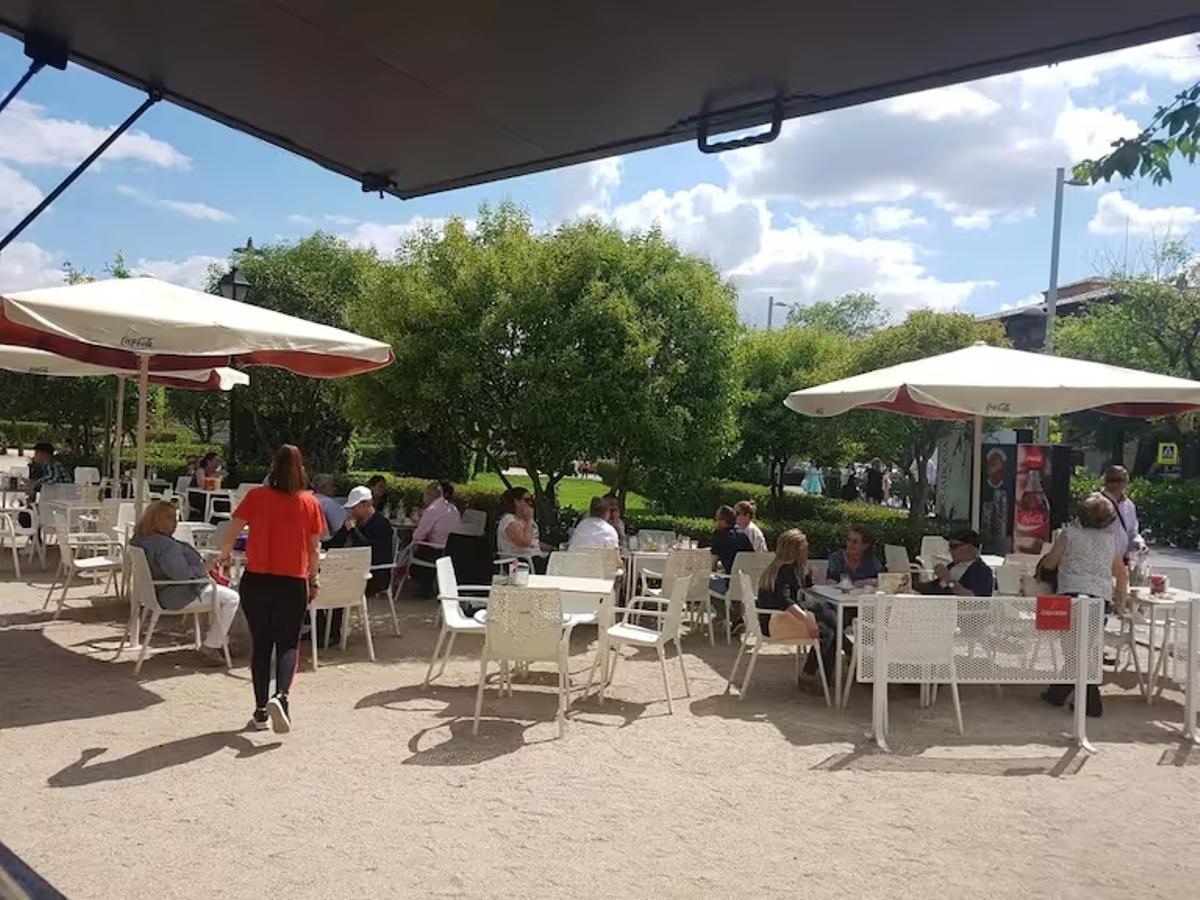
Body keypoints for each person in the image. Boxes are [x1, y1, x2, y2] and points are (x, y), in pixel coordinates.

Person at [218, 445, 324, 735]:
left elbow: (233, 529)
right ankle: (282, 697)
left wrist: (224, 554)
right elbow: (314, 549)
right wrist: (313, 580)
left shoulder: (256, 497)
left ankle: (261, 710)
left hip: (257, 580)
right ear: (301, 469)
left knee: (261, 645)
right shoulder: (309, 503)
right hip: (292, 582)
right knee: (288, 643)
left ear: (272, 466)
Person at [1039, 493, 1129, 717]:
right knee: (1085, 649)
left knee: (1071, 649)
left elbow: (1050, 562)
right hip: (1099, 598)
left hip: (1070, 594)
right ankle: (1060, 694)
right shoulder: (1111, 541)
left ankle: (1088, 702)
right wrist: (1120, 601)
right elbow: (1121, 573)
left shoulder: (1068, 535)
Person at [129, 500, 241, 665]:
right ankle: (212, 645)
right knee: (232, 598)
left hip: (154, 593)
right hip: (175, 595)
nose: (176, 523)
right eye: (173, 519)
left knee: (221, 594)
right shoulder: (165, 546)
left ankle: (220, 640)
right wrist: (203, 569)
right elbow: (181, 575)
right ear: (160, 521)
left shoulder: (140, 539)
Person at [755, 529, 838, 684]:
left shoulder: (780, 567)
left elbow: (796, 586)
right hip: (776, 622)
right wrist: (806, 619)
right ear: (797, 550)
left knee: (827, 614)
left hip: (772, 619)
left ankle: (821, 675)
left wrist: (807, 576)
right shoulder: (785, 570)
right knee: (827, 629)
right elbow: (785, 600)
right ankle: (814, 674)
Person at [320, 485, 396, 643]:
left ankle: (332, 633)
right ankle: (321, 628)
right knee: (321, 583)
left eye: (354, 508)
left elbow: (369, 550)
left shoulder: (381, 524)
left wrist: (353, 530)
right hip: (354, 571)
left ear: (367, 505)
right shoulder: (355, 521)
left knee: (337, 585)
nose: (351, 512)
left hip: (375, 575)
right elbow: (334, 543)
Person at [409, 481, 461, 596]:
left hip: (437, 550)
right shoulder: (453, 509)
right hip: (453, 549)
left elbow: (418, 536)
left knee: (412, 549)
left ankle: (423, 585)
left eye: (424, 494)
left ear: (430, 495)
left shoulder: (432, 510)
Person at [917, 529, 994, 596]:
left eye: (954, 546)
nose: (950, 550)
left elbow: (972, 600)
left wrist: (948, 579)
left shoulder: (982, 571)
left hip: (953, 610)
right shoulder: (953, 565)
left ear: (970, 547)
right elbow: (934, 587)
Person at [497, 487, 550, 574]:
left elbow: (534, 541)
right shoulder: (509, 520)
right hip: (518, 562)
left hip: (534, 557)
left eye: (531, 499)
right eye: (527, 500)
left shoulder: (524, 520)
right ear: (516, 502)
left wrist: (552, 548)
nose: (530, 503)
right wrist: (529, 520)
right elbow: (524, 543)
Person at [1101, 465, 1147, 561]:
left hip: (1121, 559)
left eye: (1119, 480)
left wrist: (1139, 544)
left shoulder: (1129, 505)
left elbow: (1132, 533)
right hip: (1101, 558)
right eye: (1112, 480)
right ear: (1105, 481)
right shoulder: (1098, 502)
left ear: (1125, 483)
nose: (1115, 483)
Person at [709, 505, 753, 601]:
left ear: (722, 521)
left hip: (729, 583)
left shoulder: (719, 536)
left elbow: (712, 566)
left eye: (716, 519)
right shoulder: (742, 535)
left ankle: (723, 613)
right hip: (747, 584)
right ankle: (734, 611)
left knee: (704, 583)